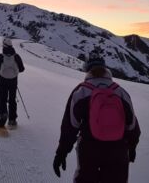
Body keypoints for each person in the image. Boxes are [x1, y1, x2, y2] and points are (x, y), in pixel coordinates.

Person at [53, 51, 140, 183]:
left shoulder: (80, 92)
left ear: (88, 70)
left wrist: (61, 153)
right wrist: (132, 147)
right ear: (105, 69)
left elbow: (70, 127)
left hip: (89, 149)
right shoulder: (120, 92)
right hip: (118, 149)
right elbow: (132, 125)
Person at [0, 38, 25, 128]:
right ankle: (12, 120)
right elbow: (22, 69)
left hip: (3, 80)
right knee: (12, 100)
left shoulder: (1, 56)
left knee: (2, 99)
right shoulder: (16, 56)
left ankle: (3, 115)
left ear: (4, 46)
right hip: (13, 81)